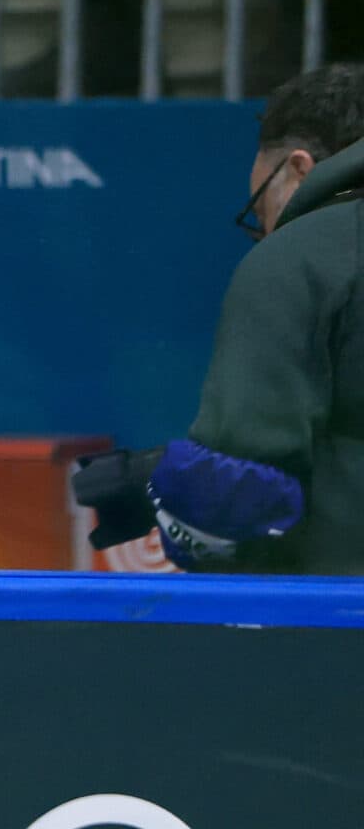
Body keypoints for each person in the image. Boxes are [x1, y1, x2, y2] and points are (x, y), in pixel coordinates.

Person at [78, 63, 364, 574]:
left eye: (261, 213)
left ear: (298, 170)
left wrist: (158, 482)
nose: (268, 233)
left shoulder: (299, 257)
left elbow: (242, 499)